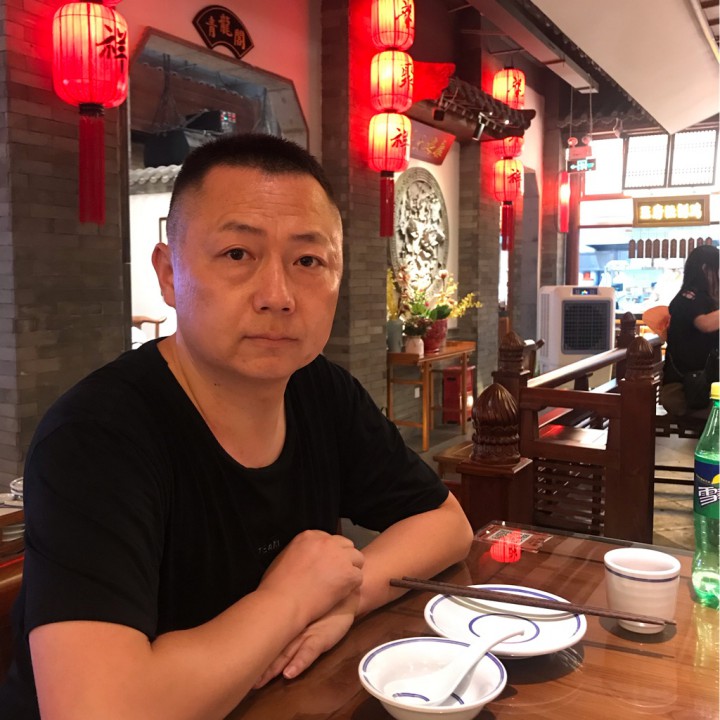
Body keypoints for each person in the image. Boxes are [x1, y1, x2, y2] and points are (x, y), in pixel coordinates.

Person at [0, 134, 473, 719]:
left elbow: (446, 524)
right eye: (237, 254)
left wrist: (348, 596)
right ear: (169, 274)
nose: (277, 296)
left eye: (308, 261)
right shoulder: (95, 439)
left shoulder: (319, 390)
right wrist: (289, 600)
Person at [660, 244, 719, 417]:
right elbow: (705, 324)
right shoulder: (688, 297)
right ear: (706, 269)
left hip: (700, 386)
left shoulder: (706, 299)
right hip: (683, 391)